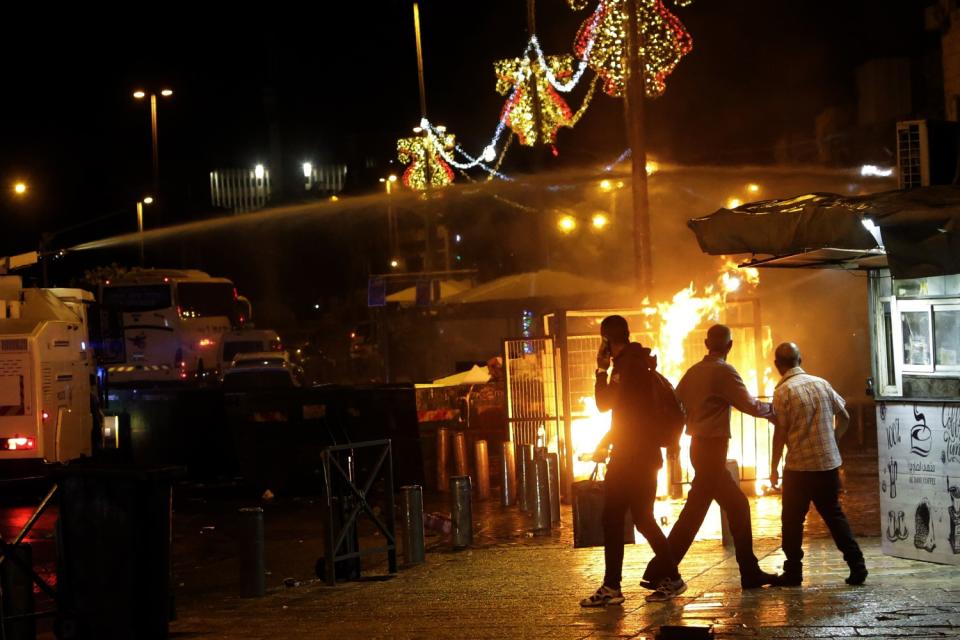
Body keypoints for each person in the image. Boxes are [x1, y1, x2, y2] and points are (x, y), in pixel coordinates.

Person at [642, 324, 779, 590]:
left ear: (706, 343)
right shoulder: (724, 371)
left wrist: (675, 440)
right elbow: (749, 404)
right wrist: (776, 410)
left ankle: (660, 570)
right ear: (730, 345)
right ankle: (663, 570)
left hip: (698, 448)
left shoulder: (693, 372)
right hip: (712, 450)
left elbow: (676, 404)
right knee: (730, 508)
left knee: (700, 513)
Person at [580, 315, 685, 607]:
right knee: (642, 518)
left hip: (631, 458)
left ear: (606, 340)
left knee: (613, 518)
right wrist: (604, 443)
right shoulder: (640, 363)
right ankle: (671, 578)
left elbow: (604, 405)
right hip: (644, 454)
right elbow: (628, 417)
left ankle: (612, 587)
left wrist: (600, 371)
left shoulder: (624, 368)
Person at [769, 342, 867, 586]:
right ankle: (857, 565)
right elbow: (844, 416)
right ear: (800, 359)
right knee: (834, 516)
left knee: (792, 521)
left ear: (777, 365)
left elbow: (780, 433)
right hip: (828, 465)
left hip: (799, 469)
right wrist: (833, 440)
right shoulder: (821, 383)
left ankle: (793, 572)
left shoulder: (783, 392)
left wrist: (773, 468)